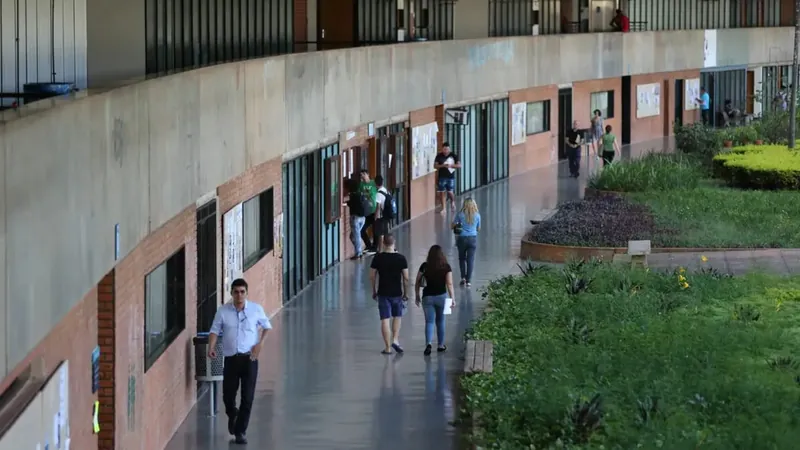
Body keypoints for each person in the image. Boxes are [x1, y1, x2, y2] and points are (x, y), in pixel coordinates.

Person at [207, 278, 272, 445]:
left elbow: (266, 327)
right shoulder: (223, 312)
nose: (239, 295)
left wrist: (260, 344)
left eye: (242, 292)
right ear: (231, 294)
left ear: (247, 293)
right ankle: (233, 414)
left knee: (247, 397)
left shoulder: (256, 310)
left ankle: (240, 431)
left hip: (250, 359)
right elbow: (214, 331)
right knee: (228, 395)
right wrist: (211, 347)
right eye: (236, 292)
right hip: (231, 359)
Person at [370, 234, 410, 354]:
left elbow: (372, 276)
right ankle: (395, 340)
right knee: (397, 316)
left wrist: (374, 291)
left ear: (383, 243)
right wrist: (405, 292)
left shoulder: (378, 258)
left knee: (385, 319)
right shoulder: (401, 258)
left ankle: (387, 348)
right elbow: (406, 278)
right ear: (394, 243)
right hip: (397, 293)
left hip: (383, 293)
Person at [415, 245, 456, 355]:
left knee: (429, 321)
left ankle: (428, 344)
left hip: (427, 297)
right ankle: (441, 345)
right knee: (441, 321)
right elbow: (450, 284)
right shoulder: (446, 267)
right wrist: (453, 298)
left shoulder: (424, 266)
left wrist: (417, 295)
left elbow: (417, 281)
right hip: (442, 297)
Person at [452, 197, 481, 287]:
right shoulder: (477, 215)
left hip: (461, 239)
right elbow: (478, 229)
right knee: (470, 260)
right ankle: (468, 281)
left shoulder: (460, 214)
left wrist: (457, 226)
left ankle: (463, 278)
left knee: (462, 258)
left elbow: (452, 225)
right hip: (472, 239)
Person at [433, 142, 461, 213]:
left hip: (450, 177)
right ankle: (443, 208)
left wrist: (451, 165)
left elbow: (459, 165)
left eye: (447, 149)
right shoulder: (439, 156)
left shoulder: (453, 155)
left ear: (449, 149)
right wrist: (443, 165)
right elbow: (435, 166)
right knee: (441, 192)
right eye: (444, 149)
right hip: (442, 176)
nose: (446, 151)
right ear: (442, 149)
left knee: (450, 192)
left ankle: (452, 202)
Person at [346, 176, 367, 260]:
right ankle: (359, 251)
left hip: (356, 218)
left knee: (356, 236)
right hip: (362, 218)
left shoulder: (353, 196)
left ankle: (358, 253)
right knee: (353, 236)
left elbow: (350, 204)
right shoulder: (360, 193)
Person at [374, 175, 392, 252]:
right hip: (387, 214)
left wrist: (376, 216)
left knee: (380, 234)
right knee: (386, 232)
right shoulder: (385, 190)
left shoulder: (378, 194)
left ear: (375, 184)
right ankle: (388, 248)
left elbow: (378, 207)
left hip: (381, 216)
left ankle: (380, 250)